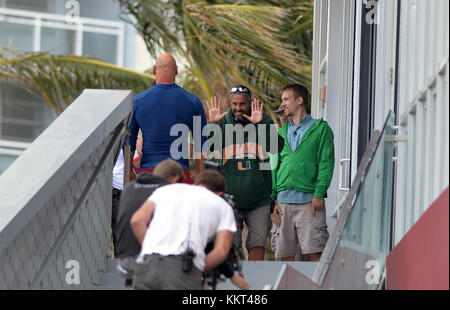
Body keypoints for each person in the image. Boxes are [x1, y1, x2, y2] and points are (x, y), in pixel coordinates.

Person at [130, 169, 236, 290]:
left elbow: (137, 220)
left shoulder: (166, 190)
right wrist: (198, 266)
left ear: (197, 183)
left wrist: (149, 247)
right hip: (183, 267)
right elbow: (222, 251)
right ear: (219, 193)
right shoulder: (223, 205)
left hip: (146, 264)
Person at [207, 86, 279, 261]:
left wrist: (260, 125)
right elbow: (207, 150)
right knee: (229, 246)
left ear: (250, 103)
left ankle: (254, 285)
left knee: (258, 244)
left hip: (260, 199)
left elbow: (277, 147)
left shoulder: (263, 120)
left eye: (243, 104)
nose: (238, 108)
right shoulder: (222, 122)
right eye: (234, 104)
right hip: (230, 199)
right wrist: (213, 125)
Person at [271, 84, 335, 262]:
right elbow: (274, 166)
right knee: (284, 256)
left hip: (309, 201)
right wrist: (272, 199)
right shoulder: (282, 131)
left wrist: (319, 193)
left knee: (316, 252)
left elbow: (326, 163)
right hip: (282, 203)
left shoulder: (321, 129)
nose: (282, 104)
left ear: (299, 101)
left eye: (286, 99)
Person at [127, 53, 207, 183]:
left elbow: (129, 140)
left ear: (154, 70)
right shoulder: (192, 101)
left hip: (150, 173)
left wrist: (129, 170)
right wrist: (199, 171)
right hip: (180, 172)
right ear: (176, 70)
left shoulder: (138, 101)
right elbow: (201, 139)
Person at [114, 159, 185, 286]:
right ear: (175, 179)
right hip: (151, 262)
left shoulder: (129, 187)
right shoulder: (167, 190)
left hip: (124, 263)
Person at [111, 139, 142, 257]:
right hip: (118, 191)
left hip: (120, 192)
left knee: (121, 240)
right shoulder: (128, 138)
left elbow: (136, 163)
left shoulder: (129, 139)